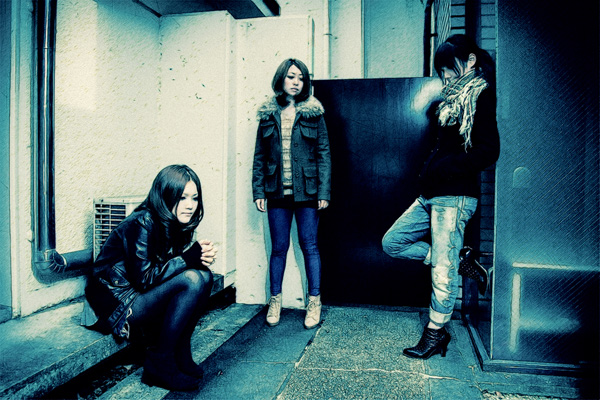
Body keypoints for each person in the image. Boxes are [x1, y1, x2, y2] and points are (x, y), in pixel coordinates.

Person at [381, 34, 500, 359]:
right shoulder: (450, 101)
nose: (444, 75)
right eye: (441, 70)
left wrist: (447, 168)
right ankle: (459, 260)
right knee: (392, 242)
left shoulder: (481, 94)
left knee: (442, 272)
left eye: (448, 68)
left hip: (454, 196)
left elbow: (489, 150)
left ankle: (436, 333)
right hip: (431, 194)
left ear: (470, 61)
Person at [82, 164, 217, 391]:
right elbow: (144, 279)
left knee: (204, 275)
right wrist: (187, 258)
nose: (190, 205)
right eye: (182, 197)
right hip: (117, 303)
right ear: (165, 196)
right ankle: (159, 362)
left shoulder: (172, 222)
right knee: (192, 279)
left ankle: (180, 350)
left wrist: (196, 258)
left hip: (138, 296)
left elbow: (168, 268)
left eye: (194, 198)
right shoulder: (142, 221)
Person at [252, 58, 331, 329]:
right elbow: (259, 156)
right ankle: (275, 300)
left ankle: (314, 301)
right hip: (276, 192)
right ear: (281, 79)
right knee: (278, 249)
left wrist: (323, 191)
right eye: (291, 76)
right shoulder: (268, 113)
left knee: (310, 246)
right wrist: (258, 190)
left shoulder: (314, 113)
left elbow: (323, 154)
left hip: (307, 193)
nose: (296, 82)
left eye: (301, 78)